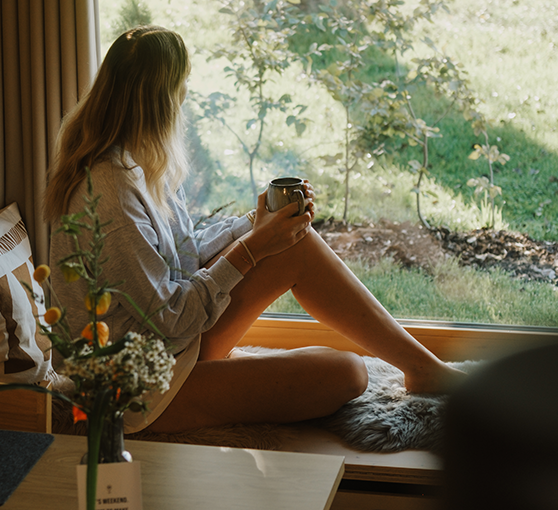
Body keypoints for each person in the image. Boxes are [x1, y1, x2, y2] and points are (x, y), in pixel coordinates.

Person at [45, 25, 463, 434]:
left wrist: (255, 224)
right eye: (182, 87)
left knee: (296, 248)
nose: (185, 98)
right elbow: (170, 316)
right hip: (135, 388)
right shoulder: (109, 191)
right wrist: (250, 249)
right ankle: (422, 369)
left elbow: (182, 257)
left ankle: (424, 368)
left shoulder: (132, 163)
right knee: (348, 373)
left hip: (170, 346)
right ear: (161, 100)